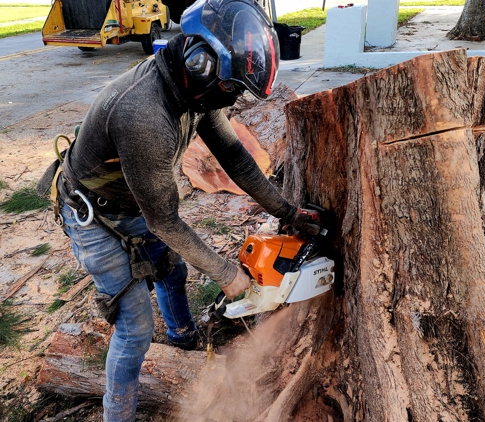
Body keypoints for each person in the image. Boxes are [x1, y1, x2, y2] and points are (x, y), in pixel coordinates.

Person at [46, 0, 321, 420]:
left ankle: (182, 337)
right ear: (200, 63)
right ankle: (117, 415)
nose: (229, 97)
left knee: (172, 271)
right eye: (230, 88)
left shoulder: (197, 89)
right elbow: (163, 221)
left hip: (134, 197)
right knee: (135, 330)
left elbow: (236, 157)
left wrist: (287, 212)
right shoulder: (145, 115)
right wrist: (228, 275)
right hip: (95, 217)